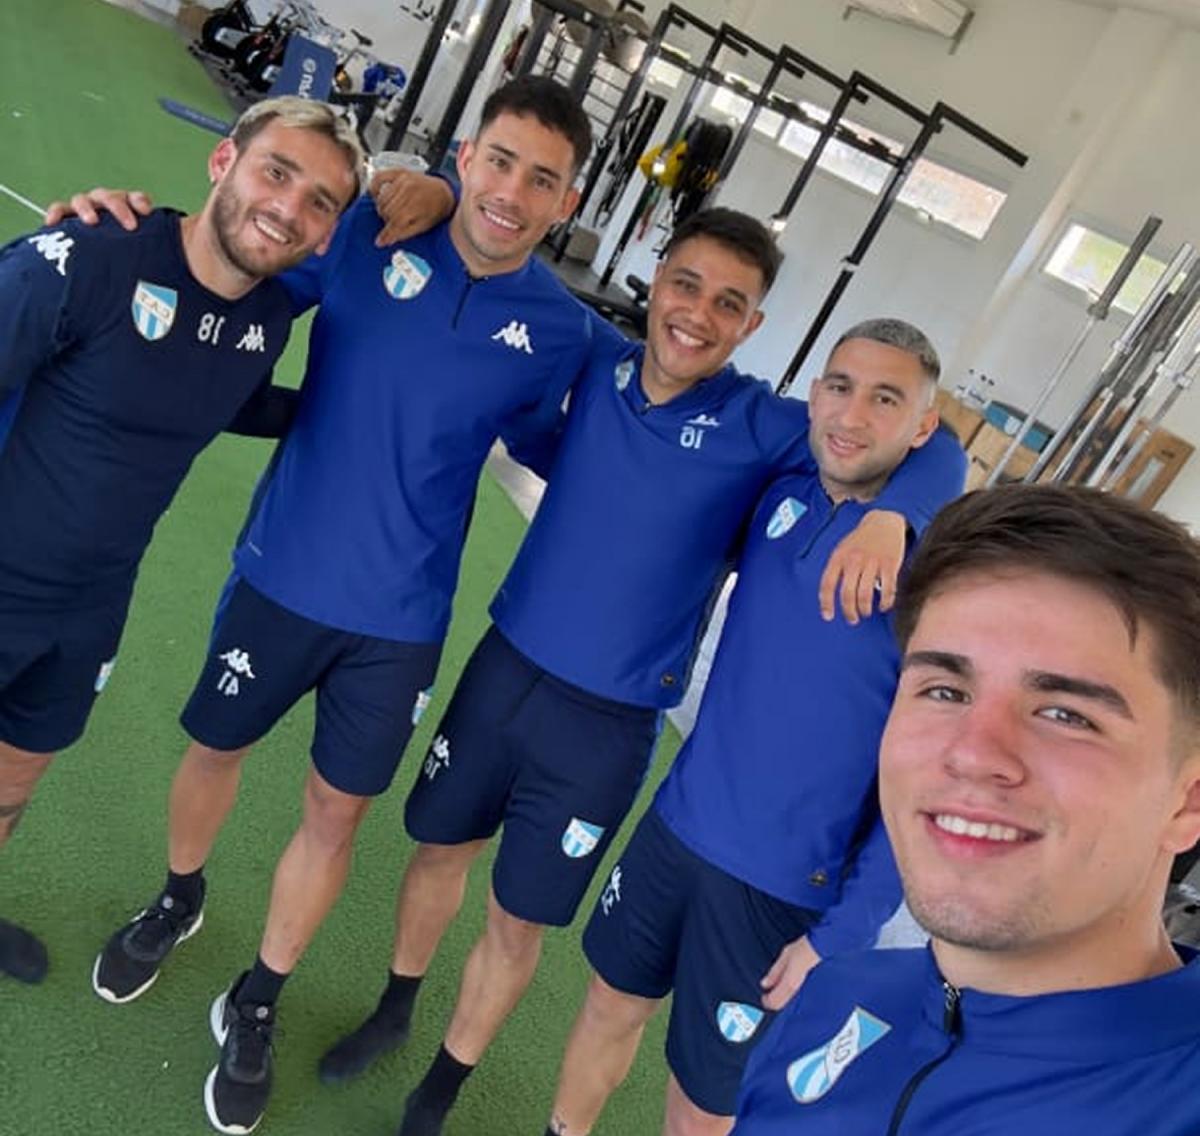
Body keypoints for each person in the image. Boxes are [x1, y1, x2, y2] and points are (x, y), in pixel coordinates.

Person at [314, 200, 963, 1133]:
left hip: (608, 730)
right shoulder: (593, 359)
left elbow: (931, 446)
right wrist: (437, 194)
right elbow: (502, 279)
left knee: (519, 918)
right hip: (505, 671)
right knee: (438, 854)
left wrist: (898, 513)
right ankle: (395, 1006)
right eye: (685, 285)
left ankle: (442, 1087)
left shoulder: (768, 427)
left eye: (728, 303)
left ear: (753, 325)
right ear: (655, 284)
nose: (698, 313)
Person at [61, 75, 595, 1136]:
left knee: (334, 811)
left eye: (543, 179)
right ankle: (177, 895)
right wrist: (117, 233)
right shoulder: (363, 234)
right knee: (213, 749)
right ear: (465, 156)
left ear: (567, 203)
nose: (510, 192)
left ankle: (258, 994)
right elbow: (232, 262)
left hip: (400, 621)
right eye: (497, 160)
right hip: (280, 574)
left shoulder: (562, 330)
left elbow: (579, 439)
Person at [541, 319, 956, 1136]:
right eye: (840, 387)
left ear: (923, 428)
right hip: (677, 829)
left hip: (779, 892)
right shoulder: (779, 496)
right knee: (608, 1004)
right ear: (815, 395)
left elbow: (926, 785)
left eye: (886, 400)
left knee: (705, 1099)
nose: (852, 415)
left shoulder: (934, 587)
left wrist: (839, 936)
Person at [0, 95, 363, 988]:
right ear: (223, 162)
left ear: (327, 234)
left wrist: (360, 417)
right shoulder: (93, 256)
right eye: (277, 171)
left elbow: (220, 391)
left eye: (319, 200)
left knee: (11, 786)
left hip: (89, 609)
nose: (288, 206)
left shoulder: (266, 319)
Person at [732, 484, 1200, 1135]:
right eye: (945, 690)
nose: (973, 754)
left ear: (1189, 800)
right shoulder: (838, 993)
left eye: (1066, 714)